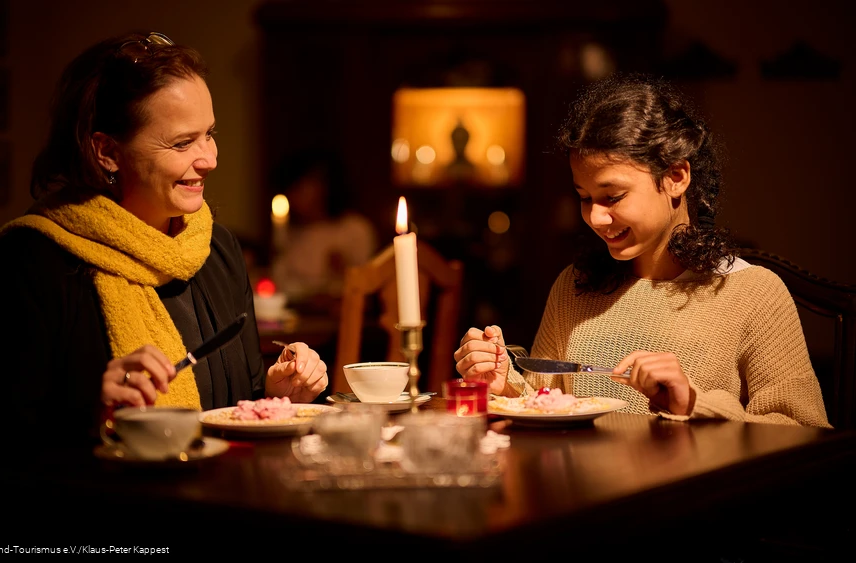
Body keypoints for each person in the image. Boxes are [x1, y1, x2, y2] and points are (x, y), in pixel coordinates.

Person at [0, 31, 329, 445]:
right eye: (182, 142)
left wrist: (277, 398)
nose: (209, 158)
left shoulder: (216, 248)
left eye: (209, 133)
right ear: (107, 151)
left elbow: (238, 403)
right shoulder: (31, 258)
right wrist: (91, 411)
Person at [453, 73, 830, 428]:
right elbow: (546, 401)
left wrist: (695, 403)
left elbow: (805, 431)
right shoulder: (575, 287)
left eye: (613, 196)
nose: (596, 218)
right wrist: (506, 384)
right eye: (584, 198)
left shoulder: (752, 293)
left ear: (676, 177)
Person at [269, 148, 378, 309]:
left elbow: (368, 288)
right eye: (292, 189)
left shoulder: (354, 229)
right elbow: (281, 284)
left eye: (302, 186)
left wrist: (343, 269)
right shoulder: (290, 233)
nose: (294, 196)